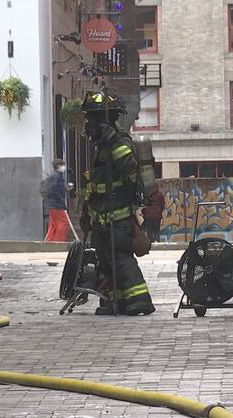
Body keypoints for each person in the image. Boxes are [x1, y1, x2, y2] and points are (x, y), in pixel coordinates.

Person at [79, 91, 156, 316]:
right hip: (101, 215)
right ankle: (118, 302)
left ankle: (141, 300)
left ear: (105, 120)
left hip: (118, 215)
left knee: (121, 258)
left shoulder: (119, 142)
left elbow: (129, 170)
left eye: (92, 120)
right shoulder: (102, 146)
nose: (89, 125)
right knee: (107, 260)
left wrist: (111, 140)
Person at [43, 159, 70, 242]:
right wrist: (61, 202)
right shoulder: (58, 177)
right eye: (63, 165)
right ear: (59, 166)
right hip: (58, 205)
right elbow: (56, 190)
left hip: (52, 205)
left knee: (53, 224)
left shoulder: (52, 176)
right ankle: (59, 242)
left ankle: (49, 241)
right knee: (63, 224)